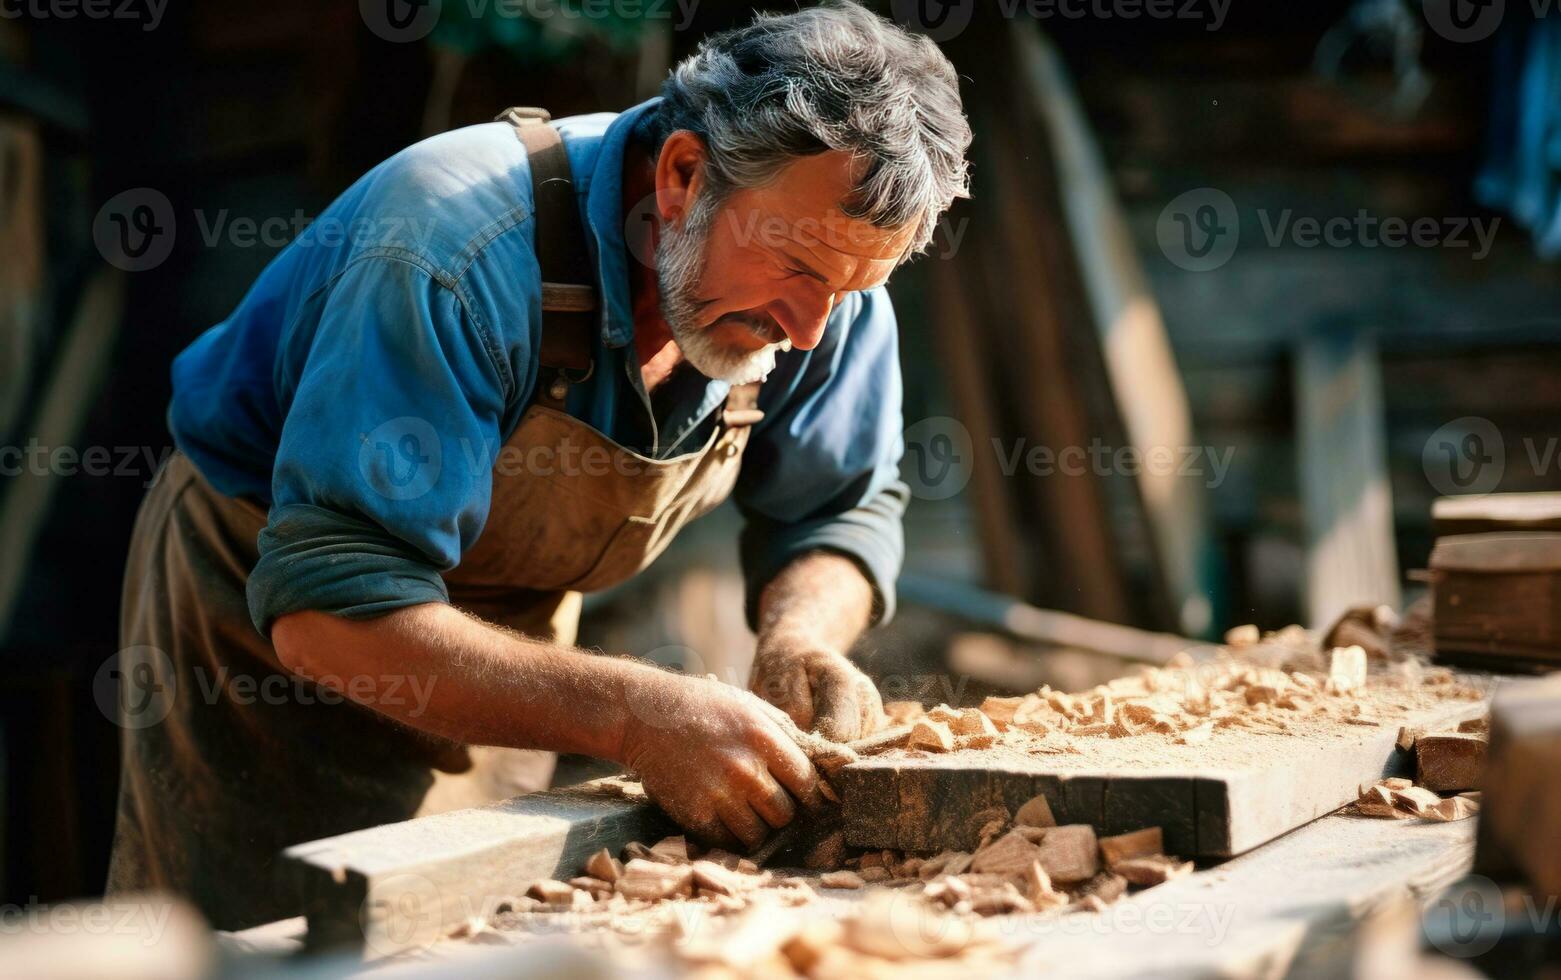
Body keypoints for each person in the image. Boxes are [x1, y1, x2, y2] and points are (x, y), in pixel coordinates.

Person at [107, 0, 971, 929]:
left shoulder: (826, 289)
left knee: (469, 932)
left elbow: (835, 512)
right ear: (681, 175)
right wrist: (635, 714)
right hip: (266, 631)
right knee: (258, 940)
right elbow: (327, 611)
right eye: (797, 270)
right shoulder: (447, 250)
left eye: (849, 290)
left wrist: (802, 635)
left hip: (499, 643)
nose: (807, 333)